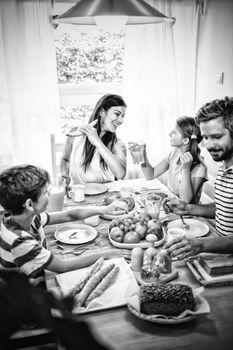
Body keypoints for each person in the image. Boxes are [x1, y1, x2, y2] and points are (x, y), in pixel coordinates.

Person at [0, 164, 130, 287]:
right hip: (25, 298)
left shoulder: (29, 217)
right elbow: (63, 266)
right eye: (45, 192)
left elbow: (69, 215)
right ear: (29, 205)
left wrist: (104, 209)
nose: (49, 194)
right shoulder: (19, 241)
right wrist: (108, 254)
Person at [164, 97, 233, 259]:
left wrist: (202, 244)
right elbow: (225, 209)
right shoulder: (225, 167)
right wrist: (188, 209)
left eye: (216, 137)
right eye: (206, 138)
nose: (209, 145)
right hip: (222, 253)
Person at [129, 116, 208, 204]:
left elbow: (186, 201)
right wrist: (142, 155)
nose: (170, 134)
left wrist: (186, 169)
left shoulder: (200, 167)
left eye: (174, 132)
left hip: (188, 215)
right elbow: (150, 174)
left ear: (185, 140)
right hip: (170, 205)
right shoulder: (175, 153)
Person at [60, 94, 127, 186]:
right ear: (101, 112)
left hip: (106, 196)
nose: (121, 120)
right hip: (78, 194)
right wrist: (64, 175)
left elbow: (121, 174)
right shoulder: (75, 133)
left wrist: (98, 142)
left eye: (123, 116)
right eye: (117, 114)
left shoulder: (117, 144)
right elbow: (65, 159)